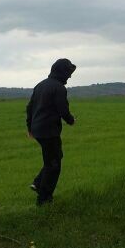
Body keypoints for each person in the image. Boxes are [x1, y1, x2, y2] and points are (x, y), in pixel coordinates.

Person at [26, 58, 76, 206]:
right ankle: (44, 200)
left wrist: (29, 128)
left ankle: (38, 182)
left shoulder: (40, 85)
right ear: (62, 72)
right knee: (54, 165)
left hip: (38, 130)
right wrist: (71, 120)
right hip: (49, 131)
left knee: (54, 158)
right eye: (68, 73)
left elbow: (30, 108)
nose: (70, 76)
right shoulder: (59, 88)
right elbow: (63, 110)